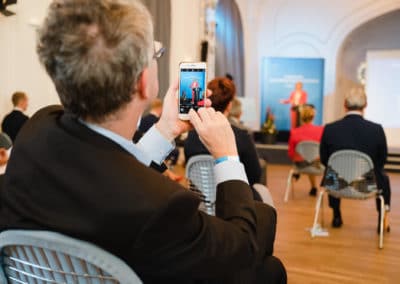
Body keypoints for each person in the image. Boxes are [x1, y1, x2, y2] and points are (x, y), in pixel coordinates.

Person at [0, 1, 286, 283]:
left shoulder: (36, 129)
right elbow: (241, 252)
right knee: (269, 269)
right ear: (143, 81)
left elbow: (106, 175)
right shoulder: (162, 206)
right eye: (156, 53)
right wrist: (226, 157)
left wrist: (165, 130)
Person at [320, 87, 391, 230]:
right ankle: (382, 218)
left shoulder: (330, 129)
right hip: (367, 184)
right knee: (383, 177)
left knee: (332, 172)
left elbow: (324, 159)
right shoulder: (376, 129)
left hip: (337, 185)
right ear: (365, 105)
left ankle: (336, 215)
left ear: (344, 104)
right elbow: (382, 160)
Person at [185, 77, 263, 201]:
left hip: (201, 201)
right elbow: (254, 176)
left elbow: (190, 171)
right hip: (237, 203)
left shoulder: (192, 134)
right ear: (229, 106)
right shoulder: (242, 136)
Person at [288, 105, 323, 196]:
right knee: (313, 158)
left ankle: (298, 174)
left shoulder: (294, 132)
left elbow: (291, 153)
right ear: (313, 117)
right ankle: (314, 188)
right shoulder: (321, 130)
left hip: (300, 166)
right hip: (317, 166)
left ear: (301, 117)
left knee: (306, 158)